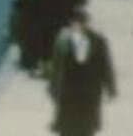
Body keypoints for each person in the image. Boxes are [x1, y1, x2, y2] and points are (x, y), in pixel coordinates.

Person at [49, 8, 117, 136]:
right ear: (71, 23)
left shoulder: (98, 40)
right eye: (76, 23)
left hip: (89, 90)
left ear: (87, 23)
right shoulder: (63, 41)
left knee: (86, 127)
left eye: (82, 22)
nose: (79, 26)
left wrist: (111, 87)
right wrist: (53, 87)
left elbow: (106, 65)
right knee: (67, 127)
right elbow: (57, 66)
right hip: (69, 90)